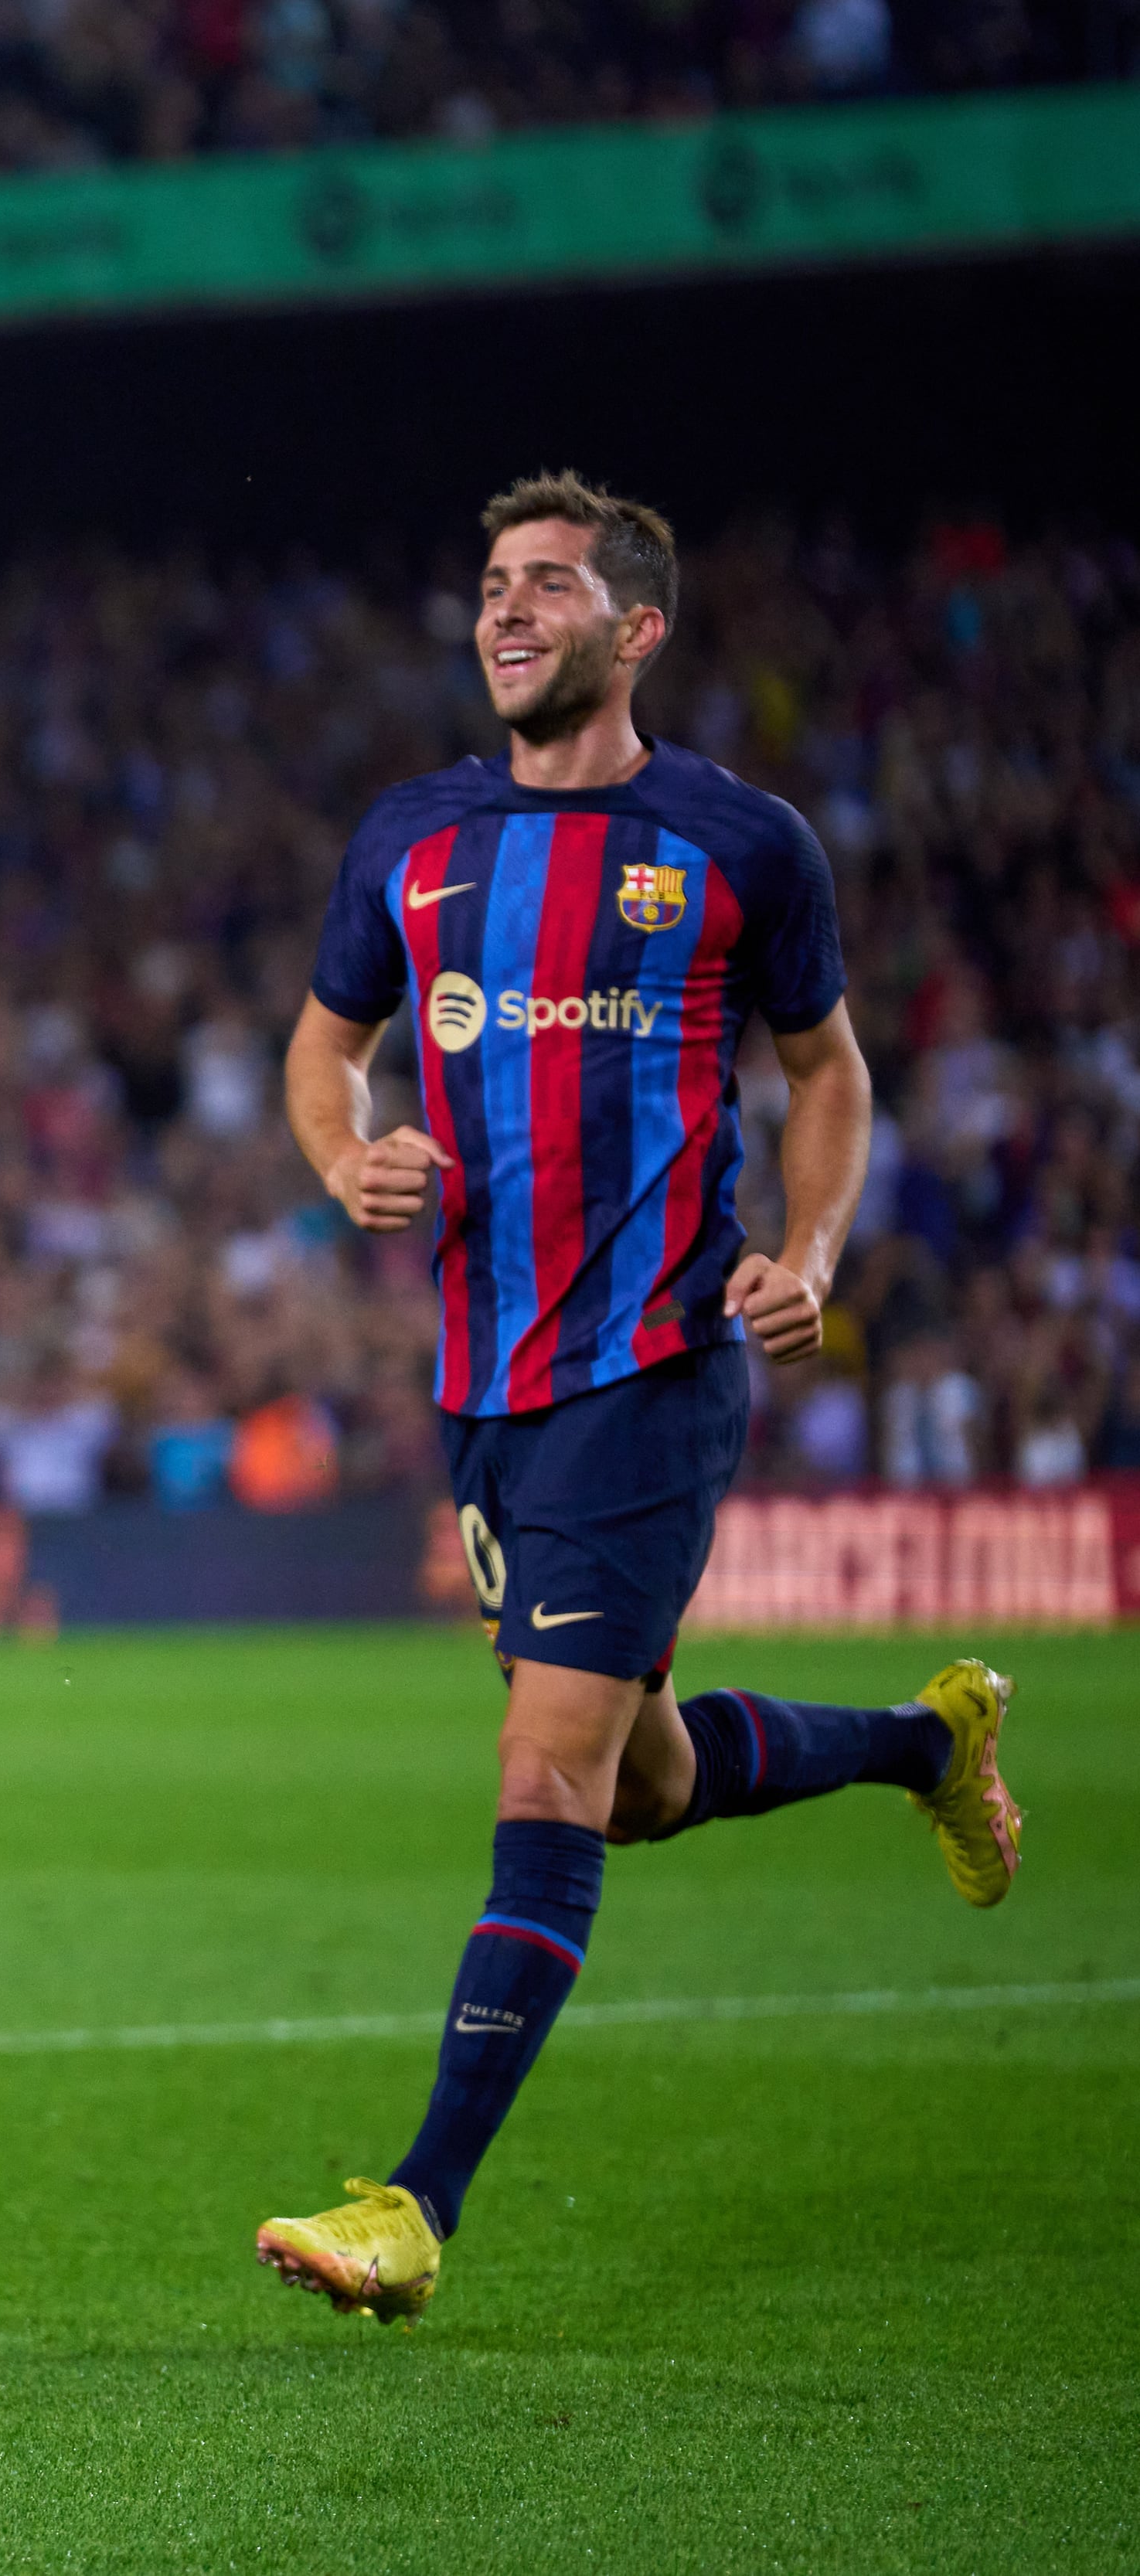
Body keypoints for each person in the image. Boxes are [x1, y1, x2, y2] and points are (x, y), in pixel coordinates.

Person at [258, 471, 1024, 2321]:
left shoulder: (736, 842)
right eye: (491, 586)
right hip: (482, 1387)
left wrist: (817, 1252)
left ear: (635, 629)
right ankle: (933, 1748)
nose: (504, 611)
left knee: (542, 1772)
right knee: (636, 1787)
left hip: (653, 1367)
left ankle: (413, 2205)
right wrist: (338, 1151)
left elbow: (827, 1072)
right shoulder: (413, 842)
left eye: (545, 586)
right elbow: (318, 1047)